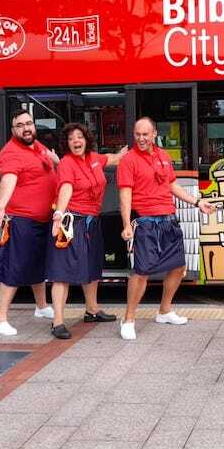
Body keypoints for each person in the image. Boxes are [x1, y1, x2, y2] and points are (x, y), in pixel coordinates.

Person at [116, 117, 214, 340]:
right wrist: (125, 225)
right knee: (142, 272)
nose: (141, 139)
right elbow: (125, 195)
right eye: (137, 135)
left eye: (145, 134)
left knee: (178, 267)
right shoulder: (128, 160)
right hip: (146, 221)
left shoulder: (163, 156)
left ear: (154, 134)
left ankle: (164, 310)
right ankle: (128, 318)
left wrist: (198, 202)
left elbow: (172, 185)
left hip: (169, 219)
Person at [45, 123, 127, 339]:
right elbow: (66, 188)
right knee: (61, 273)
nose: (76, 141)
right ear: (67, 144)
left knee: (92, 268)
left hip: (92, 222)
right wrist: (59, 214)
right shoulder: (66, 164)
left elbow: (113, 158)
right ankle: (58, 322)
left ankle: (92, 310)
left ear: (86, 139)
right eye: (71, 138)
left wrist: (131, 149)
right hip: (71, 222)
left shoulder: (94, 158)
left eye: (79, 137)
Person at [0, 110, 58, 337]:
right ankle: (0, 319)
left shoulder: (36, 145)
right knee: (15, 267)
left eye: (29, 123)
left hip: (42, 218)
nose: (26, 128)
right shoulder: (11, 153)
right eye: (20, 125)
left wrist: (56, 161)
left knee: (37, 263)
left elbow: (50, 161)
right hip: (21, 220)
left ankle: (41, 306)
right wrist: (0, 206)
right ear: (13, 130)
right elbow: (8, 180)